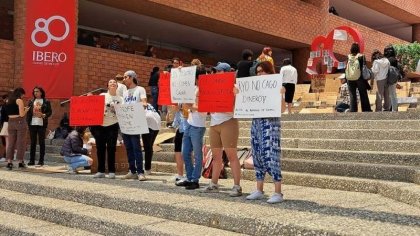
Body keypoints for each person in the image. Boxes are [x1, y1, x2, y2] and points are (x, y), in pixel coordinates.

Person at [244, 61, 286, 204]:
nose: (259, 74)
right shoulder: (255, 88)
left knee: (271, 155)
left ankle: (278, 192)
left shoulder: (276, 86)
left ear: (269, 72)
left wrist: (281, 95)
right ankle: (259, 189)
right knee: (257, 155)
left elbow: (282, 109)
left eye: (262, 71)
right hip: (256, 123)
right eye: (257, 71)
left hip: (270, 125)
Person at [203, 62, 242, 197]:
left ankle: (237, 186)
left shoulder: (234, 87)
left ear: (226, 73)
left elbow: (235, 109)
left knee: (231, 156)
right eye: (215, 71)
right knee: (216, 156)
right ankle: (214, 184)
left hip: (228, 121)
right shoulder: (212, 86)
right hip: (214, 123)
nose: (215, 73)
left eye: (219, 71)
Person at [176, 62, 207, 190]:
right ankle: (189, 177)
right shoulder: (193, 88)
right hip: (189, 123)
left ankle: (195, 179)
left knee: (197, 154)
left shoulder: (204, 90)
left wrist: (190, 106)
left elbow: (204, 109)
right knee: (185, 152)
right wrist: (180, 72)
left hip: (198, 125)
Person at [91, 79, 122, 179]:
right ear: (107, 86)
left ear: (117, 86)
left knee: (112, 148)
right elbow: (95, 107)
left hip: (113, 125)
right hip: (100, 125)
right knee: (100, 148)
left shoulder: (121, 98)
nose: (113, 83)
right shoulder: (102, 96)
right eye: (110, 82)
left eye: (114, 83)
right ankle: (101, 171)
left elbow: (123, 112)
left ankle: (112, 171)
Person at [122, 70, 147, 181]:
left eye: (125, 77)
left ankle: (141, 172)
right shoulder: (125, 92)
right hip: (126, 123)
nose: (123, 79)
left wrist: (142, 104)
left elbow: (144, 102)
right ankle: (132, 171)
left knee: (136, 148)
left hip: (136, 122)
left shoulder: (140, 89)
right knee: (128, 148)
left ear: (132, 77)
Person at [26, 86, 52, 166]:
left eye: (37, 91)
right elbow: (28, 112)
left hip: (42, 124)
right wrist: (28, 122)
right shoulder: (31, 101)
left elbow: (49, 112)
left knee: (41, 142)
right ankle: (31, 160)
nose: (35, 93)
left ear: (41, 92)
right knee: (33, 142)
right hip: (32, 124)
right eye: (34, 91)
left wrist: (44, 115)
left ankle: (41, 161)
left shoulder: (46, 101)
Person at [5, 88, 29, 170]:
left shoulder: (8, 100)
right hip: (19, 122)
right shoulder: (19, 100)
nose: (23, 96)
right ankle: (20, 162)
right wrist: (26, 110)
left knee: (11, 143)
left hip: (10, 122)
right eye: (23, 95)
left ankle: (9, 162)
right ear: (20, 94)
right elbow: (22, 114)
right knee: (20, 142)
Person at [345, 43, 372, 112]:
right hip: (359, 78)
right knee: (363, 93)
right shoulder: (361, 56)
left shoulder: (348, 57)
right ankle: (366, 109)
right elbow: (364, 67)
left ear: (351, 49)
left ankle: (353, 109)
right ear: (358, 49)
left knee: (352, 94)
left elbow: (346, 67)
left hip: (350, 78)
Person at [141, 101, 161, 175]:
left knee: (147, 147)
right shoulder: (149, 104)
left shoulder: (140, 103)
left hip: (148, 123)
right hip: (157, 124)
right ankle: (148, 168)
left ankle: (147, 168)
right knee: (149, 147)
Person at [384, 45, 404, 112]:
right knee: (393, 94)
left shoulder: (388, 60)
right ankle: (393, 108)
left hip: (388, 79)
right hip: (394, 79)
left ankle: (393, 109)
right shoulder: (394, 59)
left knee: (391, 94)